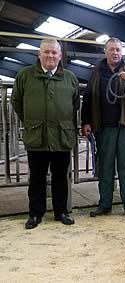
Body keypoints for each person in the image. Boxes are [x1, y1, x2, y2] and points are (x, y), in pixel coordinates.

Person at [11, 39, 80, 229]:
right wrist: (31, 120)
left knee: (60, 176)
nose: (50, 56)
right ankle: (35, 213)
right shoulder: (25, 76)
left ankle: (61, 211)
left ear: (60, 56)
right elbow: (16, 101)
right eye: (46, 52)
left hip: (61, 135)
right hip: (37, 135)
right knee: (37, 177)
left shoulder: (70, 77)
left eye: (54, 53)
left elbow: (75, 104)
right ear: (39, 55)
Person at [81, 37, 125, 218]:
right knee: (105, 167)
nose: (115, 53)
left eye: (118, 50)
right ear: (105, 52)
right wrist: (85, 122)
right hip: (103, 128)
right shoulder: (96, 72)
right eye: (112, 49)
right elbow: (87, 98)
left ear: (122, 52)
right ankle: (105, 204)